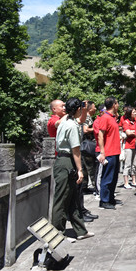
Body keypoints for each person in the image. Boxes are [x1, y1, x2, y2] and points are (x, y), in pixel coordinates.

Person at [52, 98, 94, 241]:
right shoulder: (70, 126)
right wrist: (80, 170)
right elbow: (76, 150)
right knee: (62, 199)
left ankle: (80, 230)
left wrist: (83, 109)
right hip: (66, 161)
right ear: (77, 110)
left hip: (66, 160)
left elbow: (80, 119)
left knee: (73, 198)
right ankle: (57, 233)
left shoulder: (67, 121)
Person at [96, 97, 122, 209]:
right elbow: (100, 135)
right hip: (109, 152)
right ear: (114, 105)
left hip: (115, 152)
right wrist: (102, 152)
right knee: (107, 177)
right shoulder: (105, 118)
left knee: (114, 177)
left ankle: (110, 198)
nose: (118, 106)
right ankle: (104, 200)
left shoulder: (113, 118)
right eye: (117, 103)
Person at [121, 106, 136, 189]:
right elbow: (128, 133)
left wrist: (133, 132)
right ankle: (126, 182)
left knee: (134, 164)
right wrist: (135, 132)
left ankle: (134, 180)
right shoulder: (126, 122)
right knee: (127, 164)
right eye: (134, 112)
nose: (135, 113)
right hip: (128, 146)